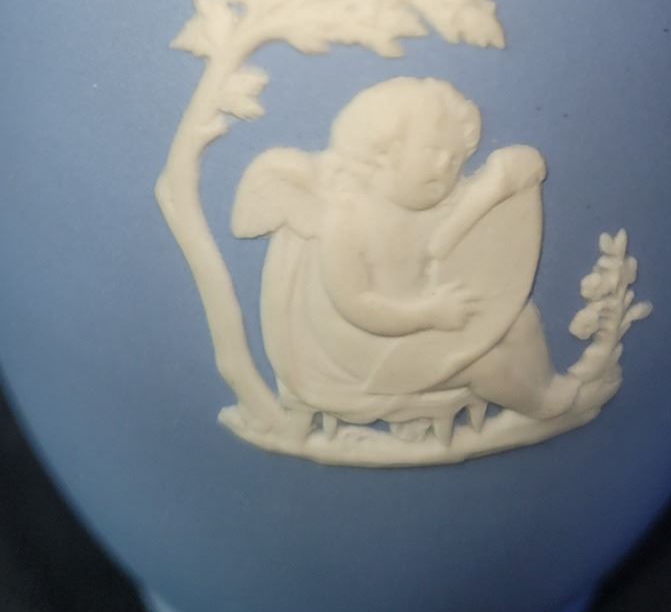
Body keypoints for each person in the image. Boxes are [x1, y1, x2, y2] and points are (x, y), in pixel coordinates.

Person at [232, 76, 579, 438]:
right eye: (433, 151)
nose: (446, 166)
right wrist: (427, 314)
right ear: (383, 151)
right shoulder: (348, 221)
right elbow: (355, 303)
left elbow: (512, 174)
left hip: (427, 323)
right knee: (484, 365)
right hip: (372, 350)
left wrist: (502, 181)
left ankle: (544, 384)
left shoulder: (435, 204)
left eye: (456, 159)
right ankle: (538, 406)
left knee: (521, 320)